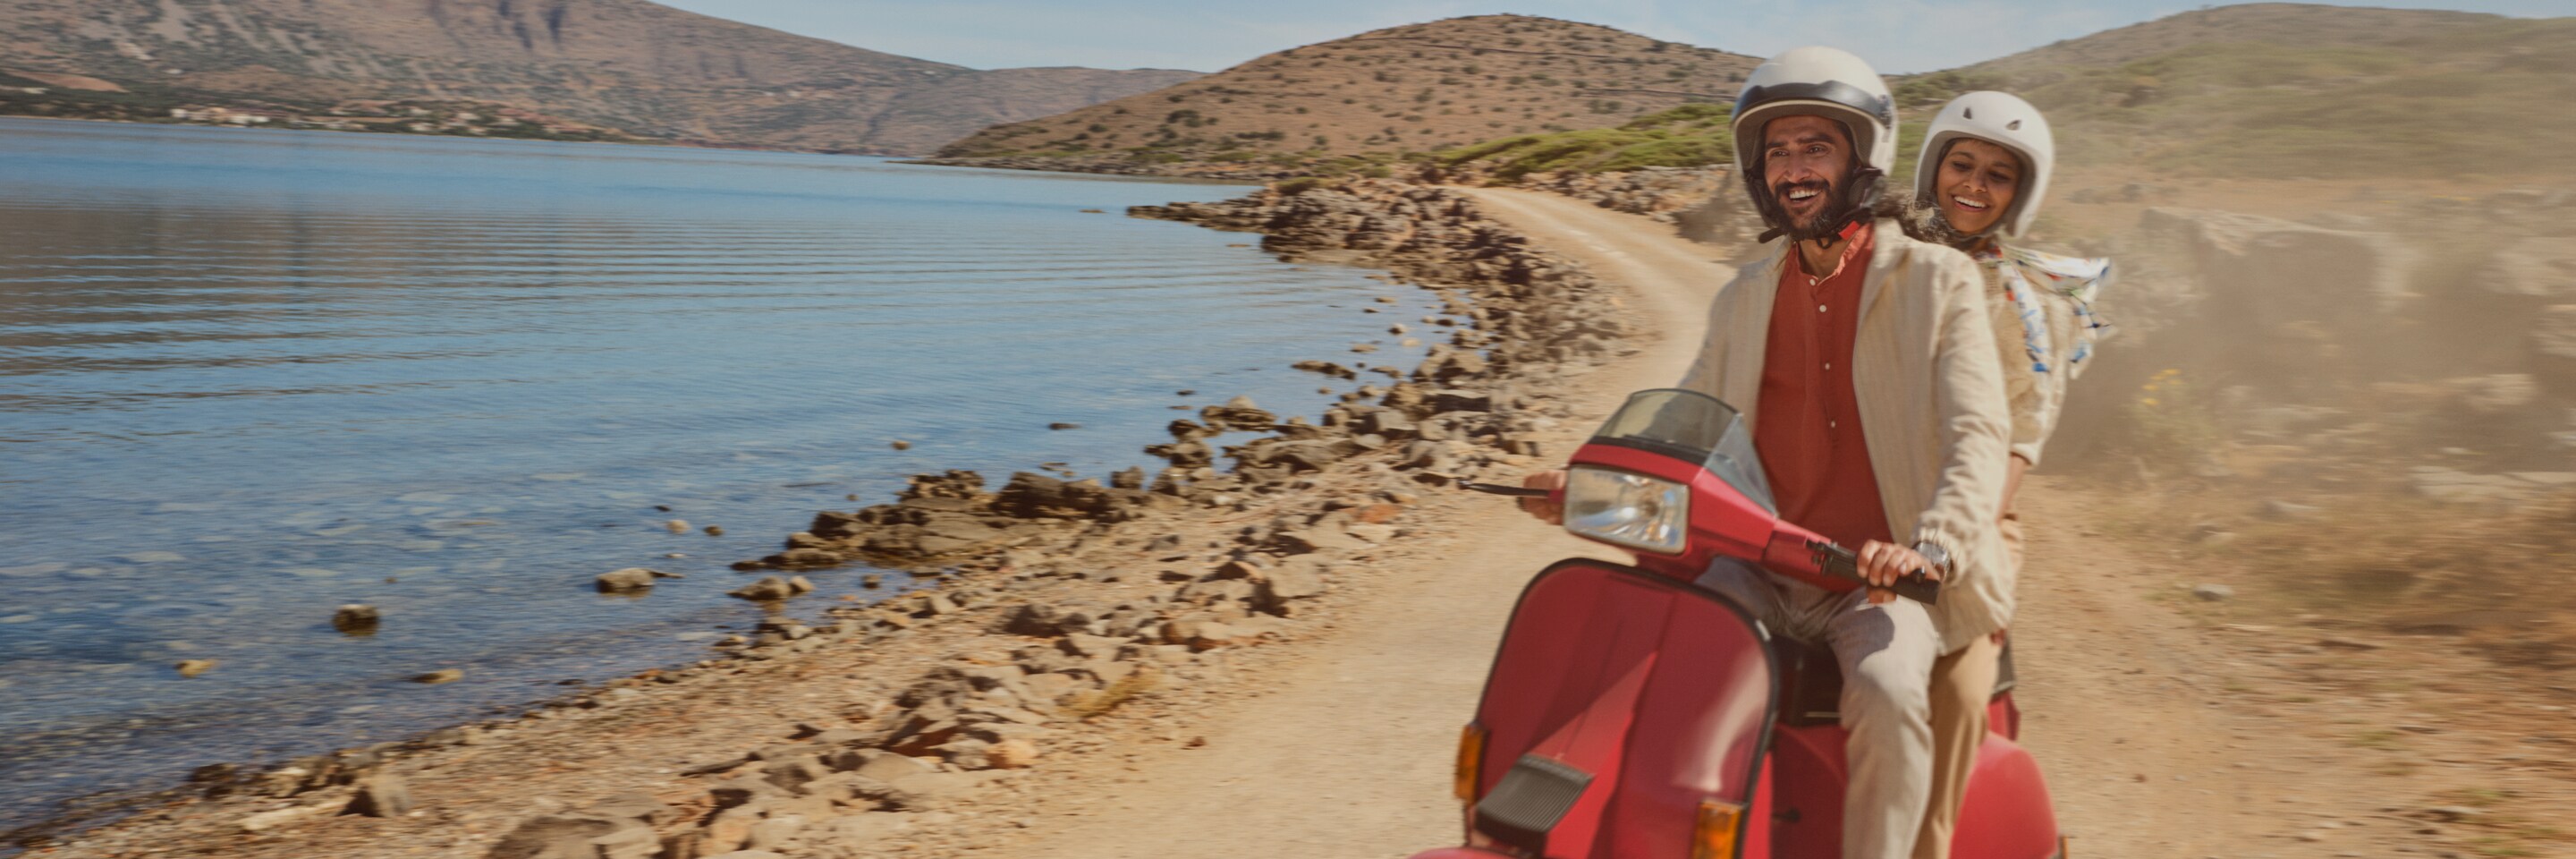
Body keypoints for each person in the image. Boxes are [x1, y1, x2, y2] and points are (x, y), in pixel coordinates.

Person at [1520, 47, 2011, 859]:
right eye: (1776, 152)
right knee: (1638, 661)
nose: (1793, 168)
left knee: (1890, 695)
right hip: (1754, 562)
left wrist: (1932, 546)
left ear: (1862, 159)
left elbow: (1977, 433)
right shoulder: (1741, 299)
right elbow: (1676, 429)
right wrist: (1583, 486)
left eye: (1814, 146)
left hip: (1875, 582)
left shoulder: (1937, 282)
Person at [1904, 90, 2110, 859]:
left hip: (1966, 516)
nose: (1974, 184)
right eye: (1962, 163)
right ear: (1933, 168)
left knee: (1956, 684)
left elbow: (2023, 438)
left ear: (2021, 195)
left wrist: (1958, 534)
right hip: (1846, 491)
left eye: (1999, 175)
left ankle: (1928, 846)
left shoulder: (2033, 305)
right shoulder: (1879, 258)